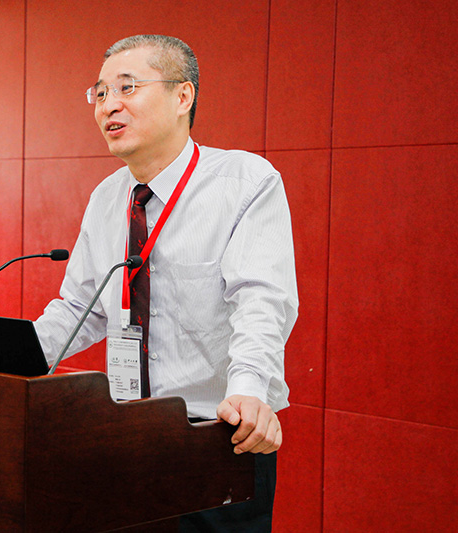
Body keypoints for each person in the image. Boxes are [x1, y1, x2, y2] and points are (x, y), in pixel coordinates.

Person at [34, 34, 298, 531]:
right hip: (126, 435)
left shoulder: (245, 181)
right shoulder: (107, 197)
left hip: (216, 437)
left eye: (127, 87)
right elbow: (80, 309)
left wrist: (247, 393)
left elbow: (261, 302)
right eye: (100, 92)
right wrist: (13, 361)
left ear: (183, 96)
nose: (109, 105)